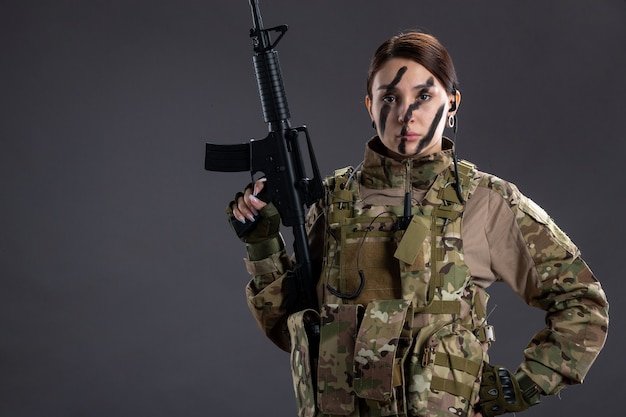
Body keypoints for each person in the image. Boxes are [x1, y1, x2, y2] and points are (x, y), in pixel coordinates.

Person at [227, 31, 609, 417]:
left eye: (423, 96)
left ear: (453, 103)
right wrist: (262, 244)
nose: (405, 114)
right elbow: (291, 329)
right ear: (369, 106)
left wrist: (522, 387)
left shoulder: (486, 201)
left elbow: (582, 302)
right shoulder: (331, 201)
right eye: (389, 98)